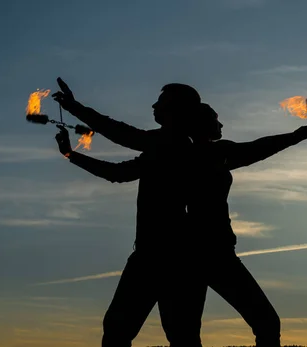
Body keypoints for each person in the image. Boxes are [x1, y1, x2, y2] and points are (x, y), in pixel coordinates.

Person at [55, 92, 307, 346]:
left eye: (160, 103)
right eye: (216, 119)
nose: (221, 125)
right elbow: (116, 152)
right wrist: (304, 133)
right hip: (179, 256)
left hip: (187, 255)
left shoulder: (175, 150)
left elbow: (117, 148)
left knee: (147, 332)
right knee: (168, 333)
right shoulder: (185, 151)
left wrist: (72, 128)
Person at [52, 78, 205, 347]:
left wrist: (74, 119)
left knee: (122, 331)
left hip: (160, 255)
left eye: (162, 102)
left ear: (176, 110)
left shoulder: (169, 145)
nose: (154, 106)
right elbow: (119, 164)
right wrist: (71, 151)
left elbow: (120, 148)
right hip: (169, 254)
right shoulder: (172, 145)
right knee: (179, 335)